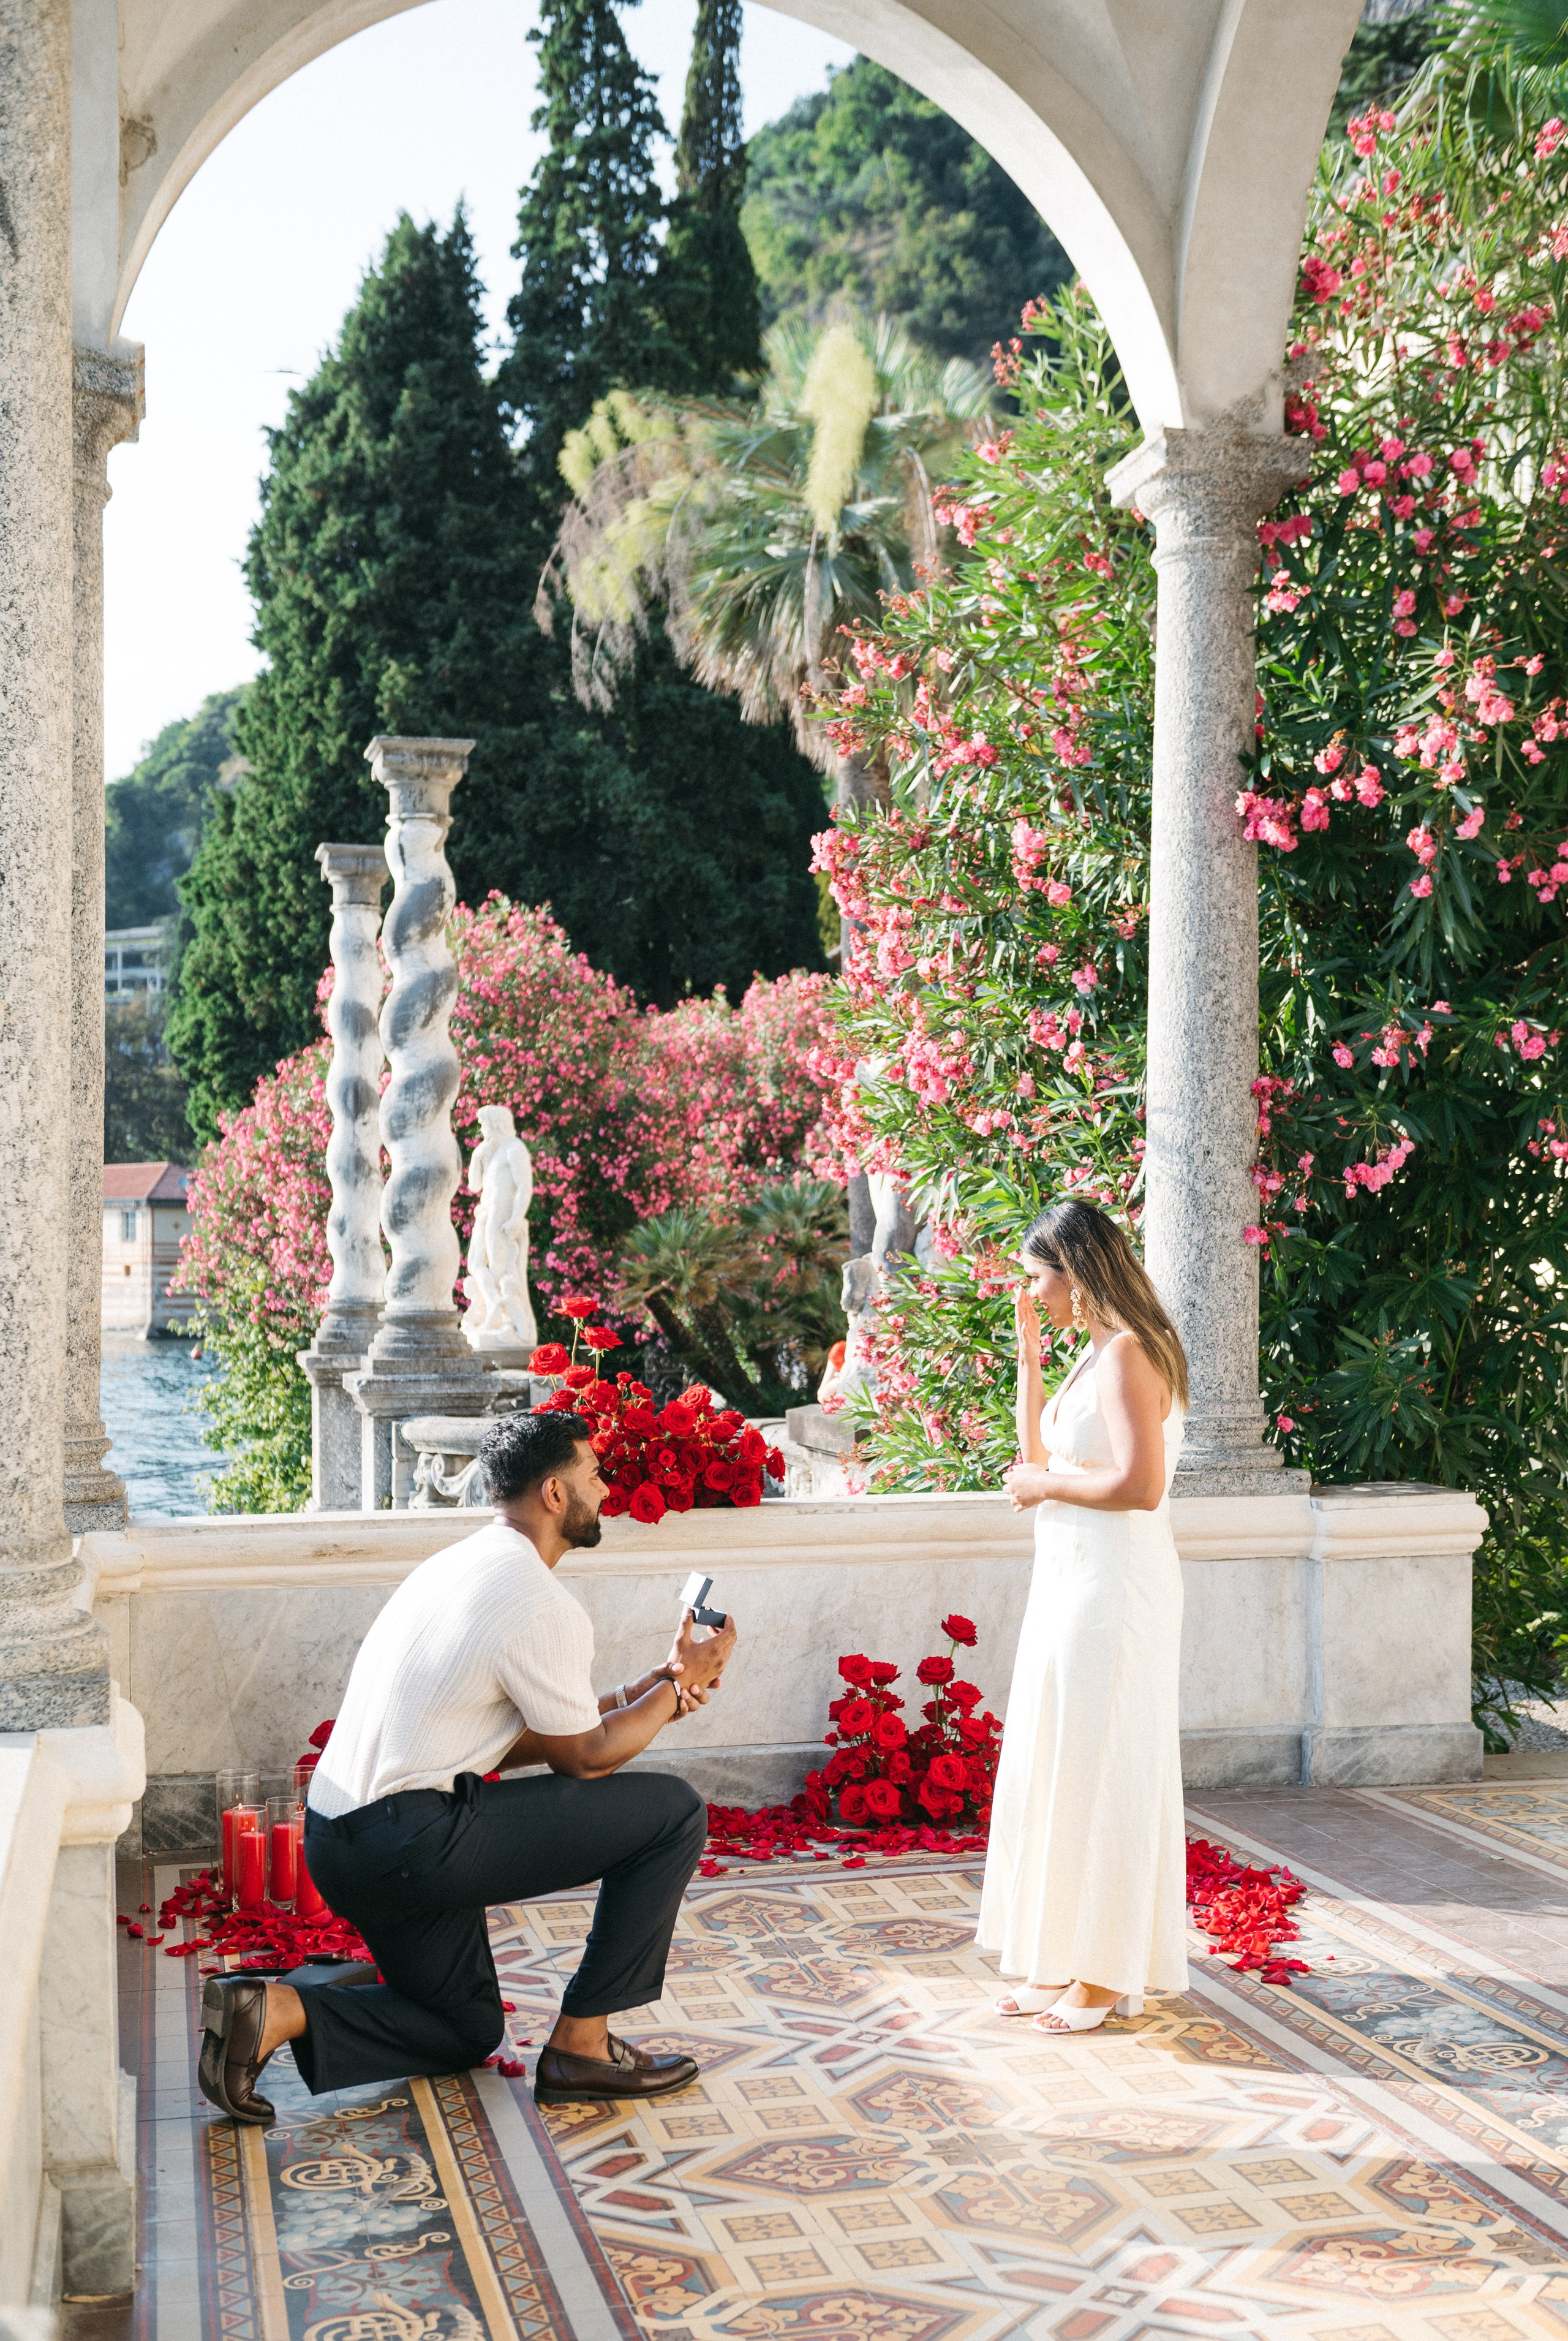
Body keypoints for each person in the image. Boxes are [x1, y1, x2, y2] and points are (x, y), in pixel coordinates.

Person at [197, 1409, 736, 2125]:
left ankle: (275, 2008)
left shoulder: (455, 1565)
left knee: (465, 2027)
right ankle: (583, 2046)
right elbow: (582, 1757)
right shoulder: (540, 1600)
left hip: (339, 1840)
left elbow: (494, 1737)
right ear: (553, 1492)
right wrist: (677, 1689)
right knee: (673, 1811)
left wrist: (652, 1685)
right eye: (594, 1474)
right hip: (412, 1842)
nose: (605, 1490)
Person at [977, 1197, 1190, 2034]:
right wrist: (1031, 1362)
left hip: (1116, 1589)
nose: (1038, 1293)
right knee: (1058, 1757)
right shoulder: (1088, 1357)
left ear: (1078, 1271)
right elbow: (1041, 1460)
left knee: (1106, 1764)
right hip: (1068, 1582)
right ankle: (1062, 1955)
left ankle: (1103, 1974)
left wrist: (1045, 1486)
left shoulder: (1131, 1355)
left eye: (1041, 1278)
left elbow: (1141, 1487)